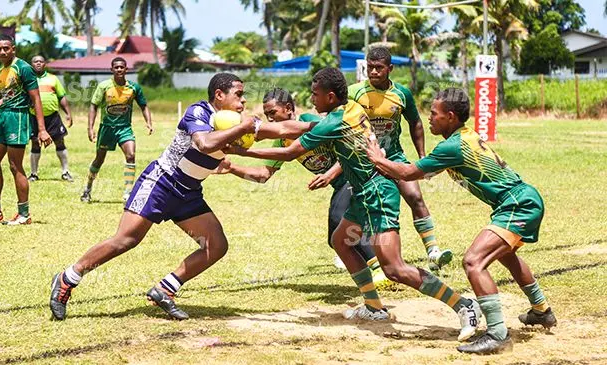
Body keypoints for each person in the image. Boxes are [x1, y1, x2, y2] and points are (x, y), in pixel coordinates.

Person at [227, 68, 481, 337]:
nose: (312, 100)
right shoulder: (349, 109)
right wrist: (254, 128)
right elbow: (291, 127)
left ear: (331, 96)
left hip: (378, 192)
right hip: (363, 192)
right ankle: (373, 306)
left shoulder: (334, 122)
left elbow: (290, 152)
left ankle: (463, 305)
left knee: (394, 268)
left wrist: (242, 149)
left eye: (315, 94)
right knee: (340, 241)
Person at [49, 73, 313, 321]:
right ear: (219, 95)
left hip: (188, 192)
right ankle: (68, 277)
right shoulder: (198, 112)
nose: (244, 100)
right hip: (161, 183)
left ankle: (165, 289)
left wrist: (321, 124)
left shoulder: (240, 123)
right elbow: (206, 144)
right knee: (126, 240)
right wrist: (244, 127)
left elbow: (282, 130)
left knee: (216, 245)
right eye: (239, 94)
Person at [365, 87, 556, 355]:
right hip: (520, 200)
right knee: (506, 255)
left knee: (473, 261)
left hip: (518, 205)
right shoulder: (462, 136)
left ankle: (498, 334)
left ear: (451, 116)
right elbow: (423, 171)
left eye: (434, 113)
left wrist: (376, 158)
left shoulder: (453, 145)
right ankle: (541, 310)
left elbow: (408, 173)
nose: (429, 118)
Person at [216, 87, 388, 284]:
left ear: (288, 108)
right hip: (342, 184)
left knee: (337, 218)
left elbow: (349, 144)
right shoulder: (282, 141)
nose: (270, 120)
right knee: (336, 236)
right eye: (267, 116)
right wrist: (232, 168)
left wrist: (329, 174)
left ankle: (379, 269)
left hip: (354, 176)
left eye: (273, 113)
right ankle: (374, 273)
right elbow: (263, 175)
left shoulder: (310, 122)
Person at [349, 46, 452, 271]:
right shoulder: (354, 92)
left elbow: (415, 122)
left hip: (394, 155)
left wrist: (422, 156)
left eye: (379, 68)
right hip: (365, 158)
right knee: (363, 206)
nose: (373, 72)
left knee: (415, 197)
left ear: (390, 69)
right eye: (370, 67)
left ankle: (433, 251)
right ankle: (354, 250)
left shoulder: (402, 94)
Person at [0, 34, 52, 225]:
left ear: (13, 48)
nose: (3, 52)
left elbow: (36, 98)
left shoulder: (23, 68)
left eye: (6, 48)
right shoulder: (1, 71)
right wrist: (1, 101)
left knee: (15, 166)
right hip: (3, 118)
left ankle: (24, 214)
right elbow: (11, 92)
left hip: (18, 118)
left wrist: (42, 129)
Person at [80, 57, 153, 203]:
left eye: (122, 67)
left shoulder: (134, 88)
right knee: (99, 160)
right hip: (106, 129)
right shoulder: (104, 86)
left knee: (131, 155)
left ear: (126, 69)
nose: (119, 69)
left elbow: (143, 105)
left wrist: (149, 122)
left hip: (124, 129)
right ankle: (87, 190)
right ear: (111, 69)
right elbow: (93, 106)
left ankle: (127, 193)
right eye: (116, 67)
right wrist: (90, 128)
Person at [28, 55, 74, 182]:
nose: (38, 63)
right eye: (35, 61)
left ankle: (65, 172)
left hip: (53, 117)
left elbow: (62, 97)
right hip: (34, 117)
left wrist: (68, 113)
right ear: (31, 64)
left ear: (45, 64)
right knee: (35, 142)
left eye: (41, 61)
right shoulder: (27, 79)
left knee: (60, 141)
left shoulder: (53, 79)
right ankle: (33, 173)